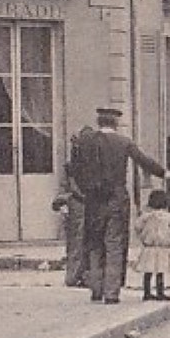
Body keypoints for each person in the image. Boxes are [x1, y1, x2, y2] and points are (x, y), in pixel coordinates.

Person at [67, 107, 169, 305]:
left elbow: (74, 169)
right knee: (114, 244)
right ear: (115, 123)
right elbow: (144, 161)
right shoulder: (123, 142)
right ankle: (111, 293)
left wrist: (85, 189)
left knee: (94, 243)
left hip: (93, 200)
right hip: (116, 200)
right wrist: (164, 173)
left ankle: (96, 289)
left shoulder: (85, 142)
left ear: (99, 122)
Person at [60, 124, 97, 289]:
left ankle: (81, 275)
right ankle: (76, 276)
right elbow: (72, 185)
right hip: (80, 203)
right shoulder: (76, 164)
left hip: (82, 203)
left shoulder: (81, 162)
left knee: (81, 242)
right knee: (79, 242)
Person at [134, 188, 170, 302]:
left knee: (148, 271)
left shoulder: (146, 217)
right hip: (163, 248)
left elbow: (137, 226)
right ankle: (160, 292)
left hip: (149, 247)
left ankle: (147, 293)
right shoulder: (169, 217)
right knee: (160, 271)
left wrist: (143, 236)